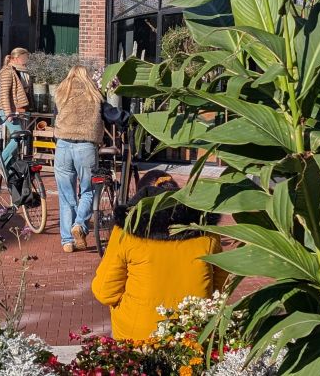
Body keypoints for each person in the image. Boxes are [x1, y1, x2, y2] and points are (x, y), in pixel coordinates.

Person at [91, 178, 227, 341]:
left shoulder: (126, 232)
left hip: (138, 336)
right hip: (193, 331)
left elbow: (105, 292)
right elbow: (222, 285)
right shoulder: (207, 232)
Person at [54, 65, 104, 253]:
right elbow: (108, 114)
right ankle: (80, 224)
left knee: (66, 195)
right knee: (89, 190)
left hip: (63, 145)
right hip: (86, 146)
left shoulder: (61, 92)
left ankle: (67, 241)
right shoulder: (94, 93)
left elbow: (55, 116)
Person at [0, 47, 32, 166]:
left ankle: (9, 168)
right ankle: (1, 162)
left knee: (17, 138)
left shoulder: (19, 71)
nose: (26, 60)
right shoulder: (7, 72)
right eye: (24, 58)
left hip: (16, 110)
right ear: (16, 58)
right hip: (8, 110)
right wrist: (8, 113)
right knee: (19, 137)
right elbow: (4, 94)